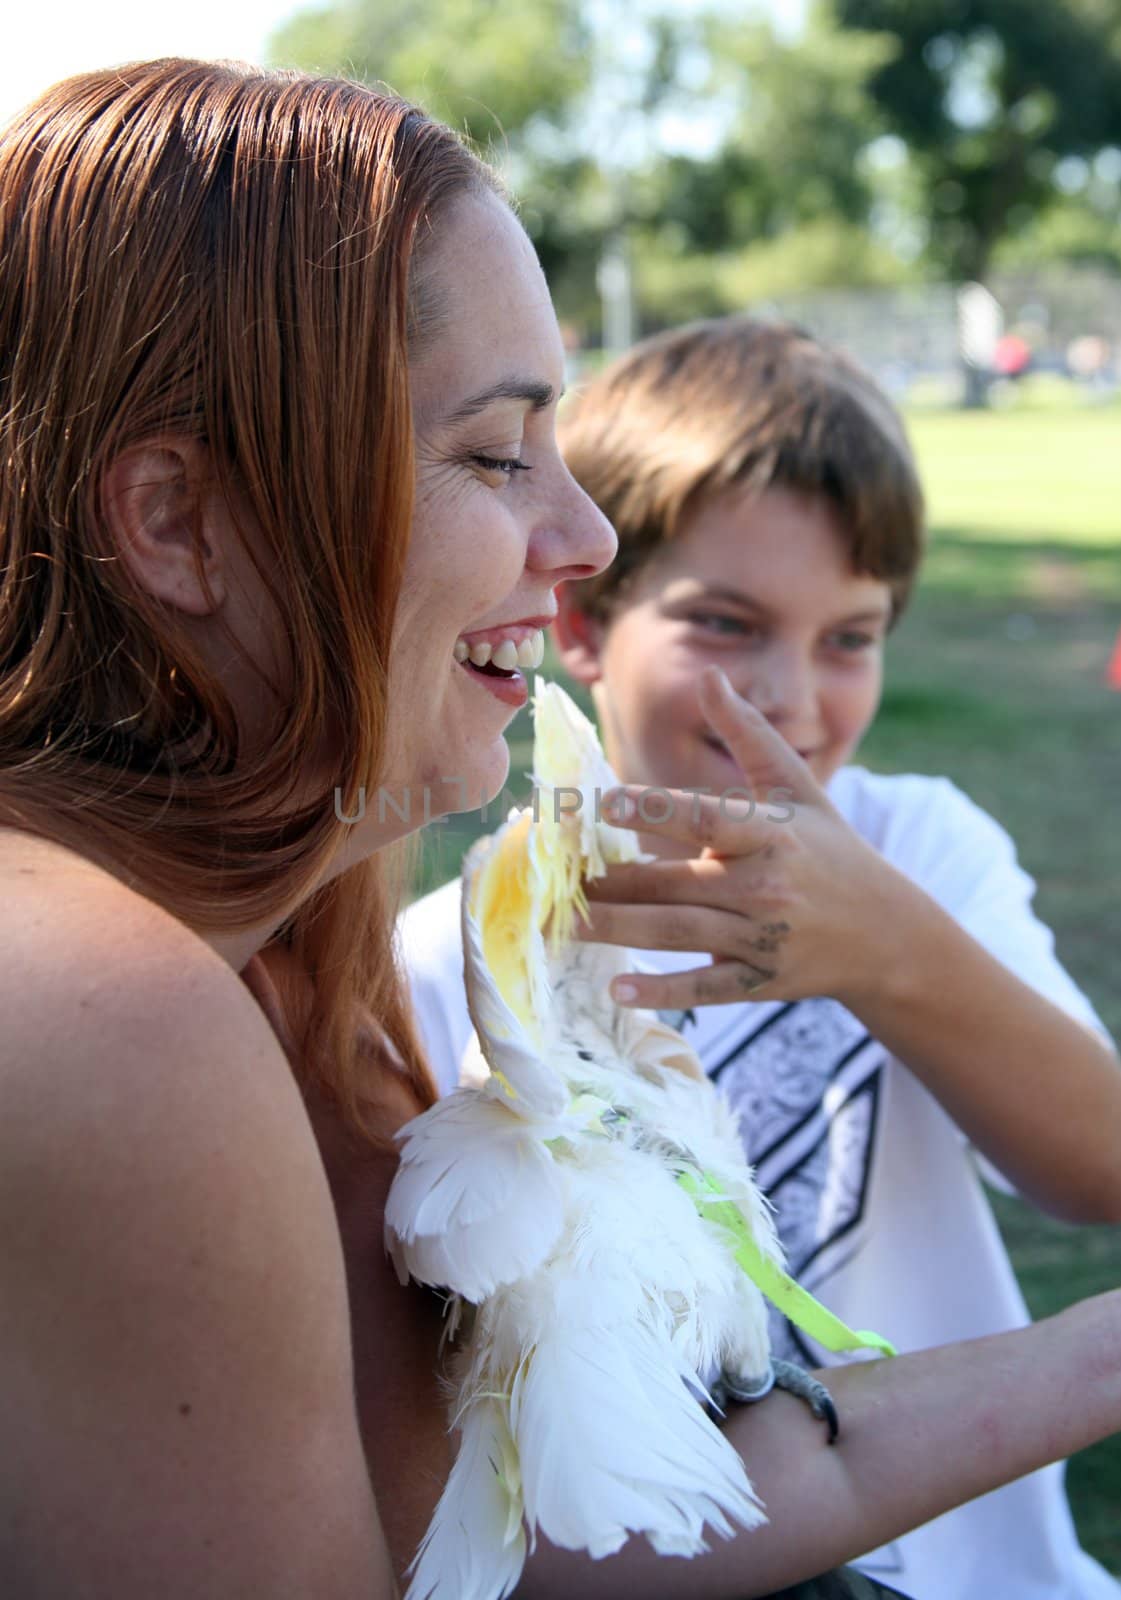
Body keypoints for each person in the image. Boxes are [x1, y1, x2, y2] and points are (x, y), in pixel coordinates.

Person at [401, 317, 1121, 1600]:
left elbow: (1098, 1168)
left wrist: (887, 948)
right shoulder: (444, 956)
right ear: (579, 624)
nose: (791, 695)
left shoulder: (914, 845)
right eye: (728, 626)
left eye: (850, 637)